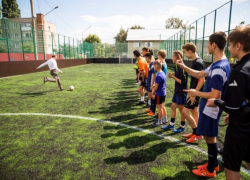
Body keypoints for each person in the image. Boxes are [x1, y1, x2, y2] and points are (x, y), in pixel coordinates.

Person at [176, 31, 231, 178]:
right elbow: (199, 74)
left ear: (214, 45)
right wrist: (183, 67)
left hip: (211, 109)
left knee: (210, 137)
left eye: (207, 43)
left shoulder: (220, 67)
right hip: (208, 108)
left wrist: (195, 93)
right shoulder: (217, 63)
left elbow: (215, 95)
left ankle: (210, 170)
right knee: (208, 136)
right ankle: (213, 164)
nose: (206, 46)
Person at [206, 26, 250, 180]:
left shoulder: (239, 70)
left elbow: (232, 106)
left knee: (231, 167)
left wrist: (216, 102)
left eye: (230, 45)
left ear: (238, 45)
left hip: (241, 128)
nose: (229, 48)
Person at [181, 43, 205, 143]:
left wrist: (194, 93)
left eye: (185, 52)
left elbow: (202, 80)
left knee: (185, 112)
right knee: (194, 111)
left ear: (190, 51)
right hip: (195, 92)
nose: (185, 54)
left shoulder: (198, 63)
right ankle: (197, 132)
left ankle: (197, 134)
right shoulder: (197, 61)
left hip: (195, 92)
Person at [162, 50, 188, 133]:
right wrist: (172, 75)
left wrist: (173, 77)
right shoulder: (176, 66)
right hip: (177, 91)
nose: (172, 58)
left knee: (181, 110)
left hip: (182, 92)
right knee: (173, 107)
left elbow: (182, 82)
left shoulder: (183, 67)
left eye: (173, 56)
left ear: (177, 57)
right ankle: (171, 124)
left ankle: (182, 126)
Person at [151, 60, 167, 126]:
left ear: (156, 67)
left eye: (154, 66)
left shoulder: (158, 76)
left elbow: (156, 87)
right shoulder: (162, 73)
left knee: (159, 107)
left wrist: (153, 93)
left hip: (159, 94)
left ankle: (159, 121)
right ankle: (165, 119)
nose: (153, 67)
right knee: (163, 106)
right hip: (163, 93)